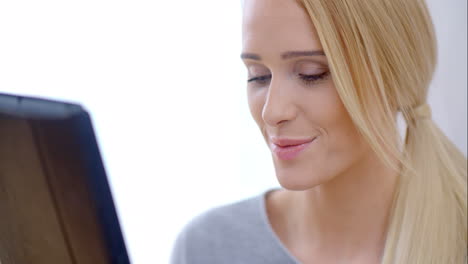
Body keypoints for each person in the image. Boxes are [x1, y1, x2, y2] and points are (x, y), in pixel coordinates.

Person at [170, 0, 467, 263]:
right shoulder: (208, 249)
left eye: (311, 73)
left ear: (394, 75)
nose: (271, 112)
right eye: (258, 76)